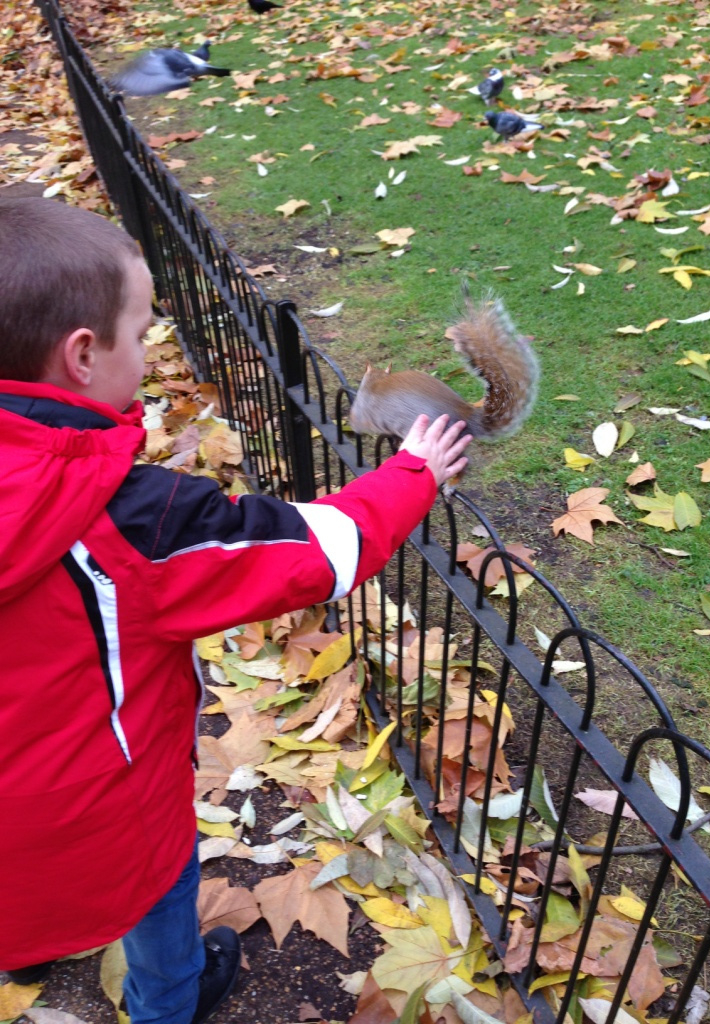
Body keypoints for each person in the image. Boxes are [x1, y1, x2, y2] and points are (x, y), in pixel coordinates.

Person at [0, 197, 471, 1024]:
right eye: (140, 332)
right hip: (101, 816)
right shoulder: (124, 521)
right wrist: (413, 474)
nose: (148, 351)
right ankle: (168, 1002)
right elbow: (309, 550)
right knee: (159, 890)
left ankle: (29, 941)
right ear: (81, 356)